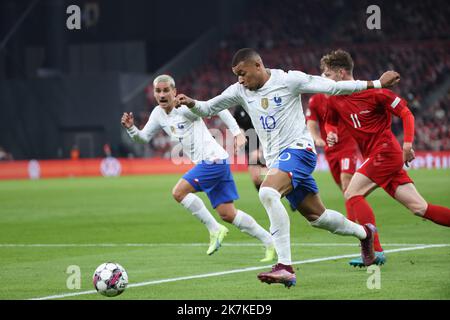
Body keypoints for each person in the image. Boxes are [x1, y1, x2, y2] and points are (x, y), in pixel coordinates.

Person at [175, 48, 401, 287]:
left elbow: (332, 87)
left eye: (243, 73)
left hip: (299, 151)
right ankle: (365, 234)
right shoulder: (239, 91)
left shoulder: (289, 79)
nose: (240, 79)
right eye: (236, 75)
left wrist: (376, 83)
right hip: (278, 161)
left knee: (267, 192)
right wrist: (192, 103)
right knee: (318, 217)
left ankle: (285, 266)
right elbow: (209, 108)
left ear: (258, 65)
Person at [121, 74, 276, 262]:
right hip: (217, 161)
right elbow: (143, 137)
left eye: (166, 90)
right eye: (158, 91)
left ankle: (214, 229)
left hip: (213, 162)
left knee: (178, 192)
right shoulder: (157, 114)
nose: (162, 94)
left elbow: (219, 108)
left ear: (174, 91)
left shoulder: (185, 108)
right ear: (154, 93)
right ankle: (269, 241)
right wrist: (131, 129)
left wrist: (237, 133)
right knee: (228, 214)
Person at [321, 49, 450, 243]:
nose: (326, 79)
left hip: (386, 152)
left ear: (341, 73)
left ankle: (374, 249)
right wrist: (331, 132)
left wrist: (407, 145)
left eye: (328, 74)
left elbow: (406, 114)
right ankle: (374, 250)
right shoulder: (334, 100)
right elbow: (329, 122)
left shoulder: (376, 93)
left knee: (352, 193)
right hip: (376, 157)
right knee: (419, 208)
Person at [306, 93, 386, 267]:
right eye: (325, 74)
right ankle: (364, 237)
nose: (327, 77)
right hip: (330, 151)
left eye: (329, 73)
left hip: (347, 146)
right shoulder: (316, 100)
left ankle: (365, 238)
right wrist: (316, 137)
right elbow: (311, 122)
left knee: (348, 186)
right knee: (347, 192)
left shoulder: (343, 95)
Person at [233, 105, 268, 191]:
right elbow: (238, 127)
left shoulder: (258, 103)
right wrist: (237, 142)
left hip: (266, 142)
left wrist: (261, 148)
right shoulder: (239, 109)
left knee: (273, 175)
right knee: (255, 178)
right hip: (250, 145)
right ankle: (267, 200)